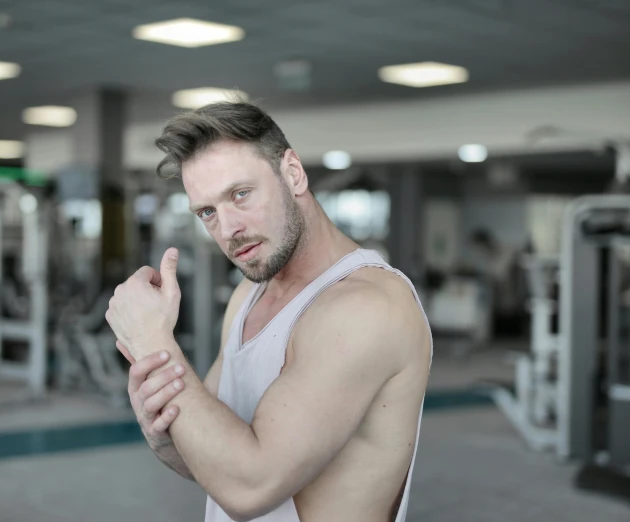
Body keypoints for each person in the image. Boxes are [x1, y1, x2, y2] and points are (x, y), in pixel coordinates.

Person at [105, 101, 432, 522]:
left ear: (292, 173)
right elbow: (217, 462)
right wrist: (163, 434)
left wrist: (152, 338)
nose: (227, 229)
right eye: (208, 212)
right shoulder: (250, 295)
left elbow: (250, 486)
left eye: (240, 195)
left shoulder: (366, 306)